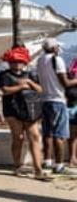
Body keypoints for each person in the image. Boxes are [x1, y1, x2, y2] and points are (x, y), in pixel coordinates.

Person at [0, 46, 48, 180]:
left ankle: (38, 169)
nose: (16, 64)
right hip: (12, 111)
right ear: (9, 62)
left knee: (35, 137)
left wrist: (29, 82)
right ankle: (17, 166)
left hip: (30, 110)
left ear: (24, 62)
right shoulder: (5, 75)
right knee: (18, 138)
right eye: (13, 62)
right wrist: (21, 86)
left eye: (19, 62)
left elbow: (40, 89)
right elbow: (5, 90)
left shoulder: (31, 75)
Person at [36, 38, 77, 175]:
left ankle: (47, 162)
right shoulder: (57, 60)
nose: (58, 49)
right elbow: (65, 83)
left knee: (47, 133)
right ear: (54, 48)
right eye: (57, 47)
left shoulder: (40, 61)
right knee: (59, 135)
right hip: (57, 100)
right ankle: (59, 166)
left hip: (45, 100)